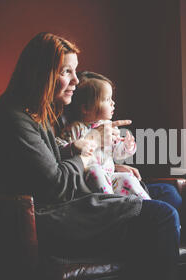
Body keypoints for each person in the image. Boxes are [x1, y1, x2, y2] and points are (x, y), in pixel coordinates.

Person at [0, 32, 181, 280]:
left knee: (167, 194)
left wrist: (110, 165)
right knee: (162, 216)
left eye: (75, 71)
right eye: (67, 72)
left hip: (76, 196)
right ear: (41, 73)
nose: (76, 81)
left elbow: (55, 158)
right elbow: (56, 184)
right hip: (56, 215)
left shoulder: (38, 114)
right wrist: (90, 144)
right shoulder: (16, 120)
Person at [56, 71, 151, 200]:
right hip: (87, 179)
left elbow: (117, 153)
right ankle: (110, 204)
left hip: (110, 175)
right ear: (86, 108)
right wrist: (76, 145)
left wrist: (127, 147)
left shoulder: (109, 127)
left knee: (128, 177)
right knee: (95, 170)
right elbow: (62, 149)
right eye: (107, 100)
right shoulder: (75, 128)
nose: (113, 103)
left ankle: (146, 204)